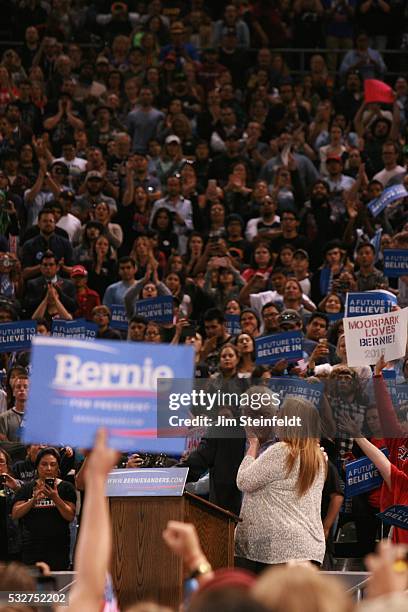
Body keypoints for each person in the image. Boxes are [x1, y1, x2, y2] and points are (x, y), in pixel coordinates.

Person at [235, 396, 327, 573]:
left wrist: (253, 443)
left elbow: (243, 481)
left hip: (278, 551)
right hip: (309, 548)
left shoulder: (282, 451)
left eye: (280, 413)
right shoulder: (318, 457)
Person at [12, 447, 76, 569]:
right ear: (37, 467)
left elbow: (70, 516)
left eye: (53, 464)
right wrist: (33, 500)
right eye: (44, 464)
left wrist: (55, 498)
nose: (48, 468)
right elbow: (15, 513)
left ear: (58, 467)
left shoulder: (66, 487)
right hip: (32, 550)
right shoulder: (27, 488)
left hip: (58, 549)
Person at [0, 375, 29, 443]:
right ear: (13, 392)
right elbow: (5, 447)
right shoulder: (3, 418)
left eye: (26, 387)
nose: (22, 389)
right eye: (18, 387)